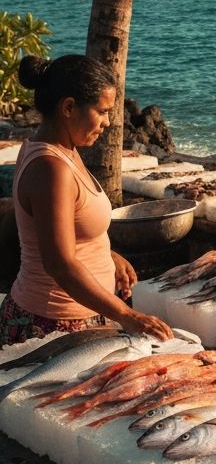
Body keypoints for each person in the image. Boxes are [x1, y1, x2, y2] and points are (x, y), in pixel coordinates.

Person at [0, 54, 174, 347]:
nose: (108, 122)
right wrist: (128, 315)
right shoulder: (50, 167)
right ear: (68, 107)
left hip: (80, 313)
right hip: (52, 325)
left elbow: (69, 228)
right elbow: (60, 264)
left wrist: (107, 255)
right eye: (102, 111)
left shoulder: (63, 148)